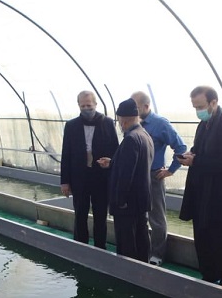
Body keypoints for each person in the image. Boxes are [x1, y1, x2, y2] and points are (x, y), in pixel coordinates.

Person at [176, 86, 222, 285]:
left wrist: (196, 161)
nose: (198, 111)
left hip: (217, 193)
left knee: (217, 236)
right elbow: (199, 149)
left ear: (213, 102)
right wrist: (190, 155)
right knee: (200, 235)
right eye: (195, 107)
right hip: (200, 190)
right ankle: (208, 276)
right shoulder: (203, 125)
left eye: (200, 106)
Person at [131, 91, 187, 266]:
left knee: (156, 218)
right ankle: (141, 250)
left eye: (136, 107)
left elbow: (181, 147)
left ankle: (157, 255)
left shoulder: (160, 124)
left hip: (153, 175)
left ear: (146, 106)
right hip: (136, 176)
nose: (133, 111)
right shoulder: (133, 123)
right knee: (138, 215)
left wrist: (171, 170)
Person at [60, 90, 119, 249]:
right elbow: (66, 154)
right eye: (83, 106)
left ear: (95, 104)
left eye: (89, 105)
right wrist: (65, 181)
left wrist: (111, 165)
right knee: (80, 214)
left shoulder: (107, 123)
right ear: (78, 105)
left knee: (100, 215)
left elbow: (115, 150)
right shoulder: (71, 125)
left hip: (101, 177)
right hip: (79, 177)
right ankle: (80, 247)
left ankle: (100, 247)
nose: (86, 109)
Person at [98, 98, 154, 262]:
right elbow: (136, 165)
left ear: (123, 120)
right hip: (141, 200)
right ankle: (143, 269)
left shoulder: (130, 139)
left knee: (127, 244)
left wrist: (120, 201)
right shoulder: (144, 135)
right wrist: (113, 162)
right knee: (141, 238)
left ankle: (128, 272)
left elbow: (126, 175)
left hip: (127, 204)